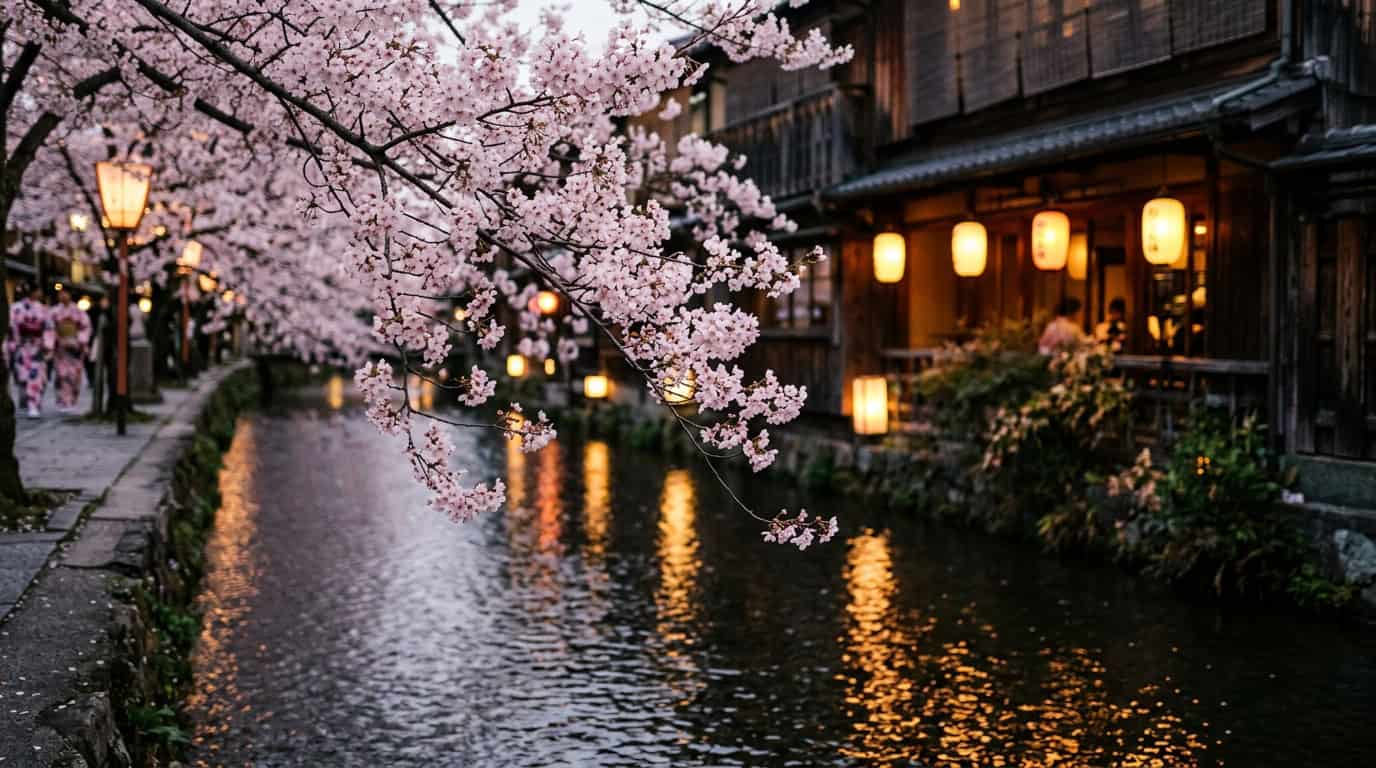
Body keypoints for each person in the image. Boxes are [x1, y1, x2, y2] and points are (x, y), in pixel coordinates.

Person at [6, 284, 53, 418]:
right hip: (22, 346)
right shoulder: (16, 308)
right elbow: (12, 327)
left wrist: (47, 344)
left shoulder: (43, 309)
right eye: (38, 291)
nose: (39, 293)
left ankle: (33, 405)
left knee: (35, 376)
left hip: (37, 347)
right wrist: (12, 344)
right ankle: (29, 402)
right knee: (24, 376)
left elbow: (48, 328)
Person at [49, 290, 92, 413]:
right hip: (60, 347)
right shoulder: (54, 311)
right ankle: (63, 400)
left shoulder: (78, 311)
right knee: (61, 374)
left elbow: (85, 327)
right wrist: (55, 340)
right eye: (61, 293)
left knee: (74, 374)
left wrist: (80, 340)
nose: (63, 295)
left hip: (75, 346)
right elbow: (49, 328)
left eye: (66, 293)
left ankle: (72, 399)